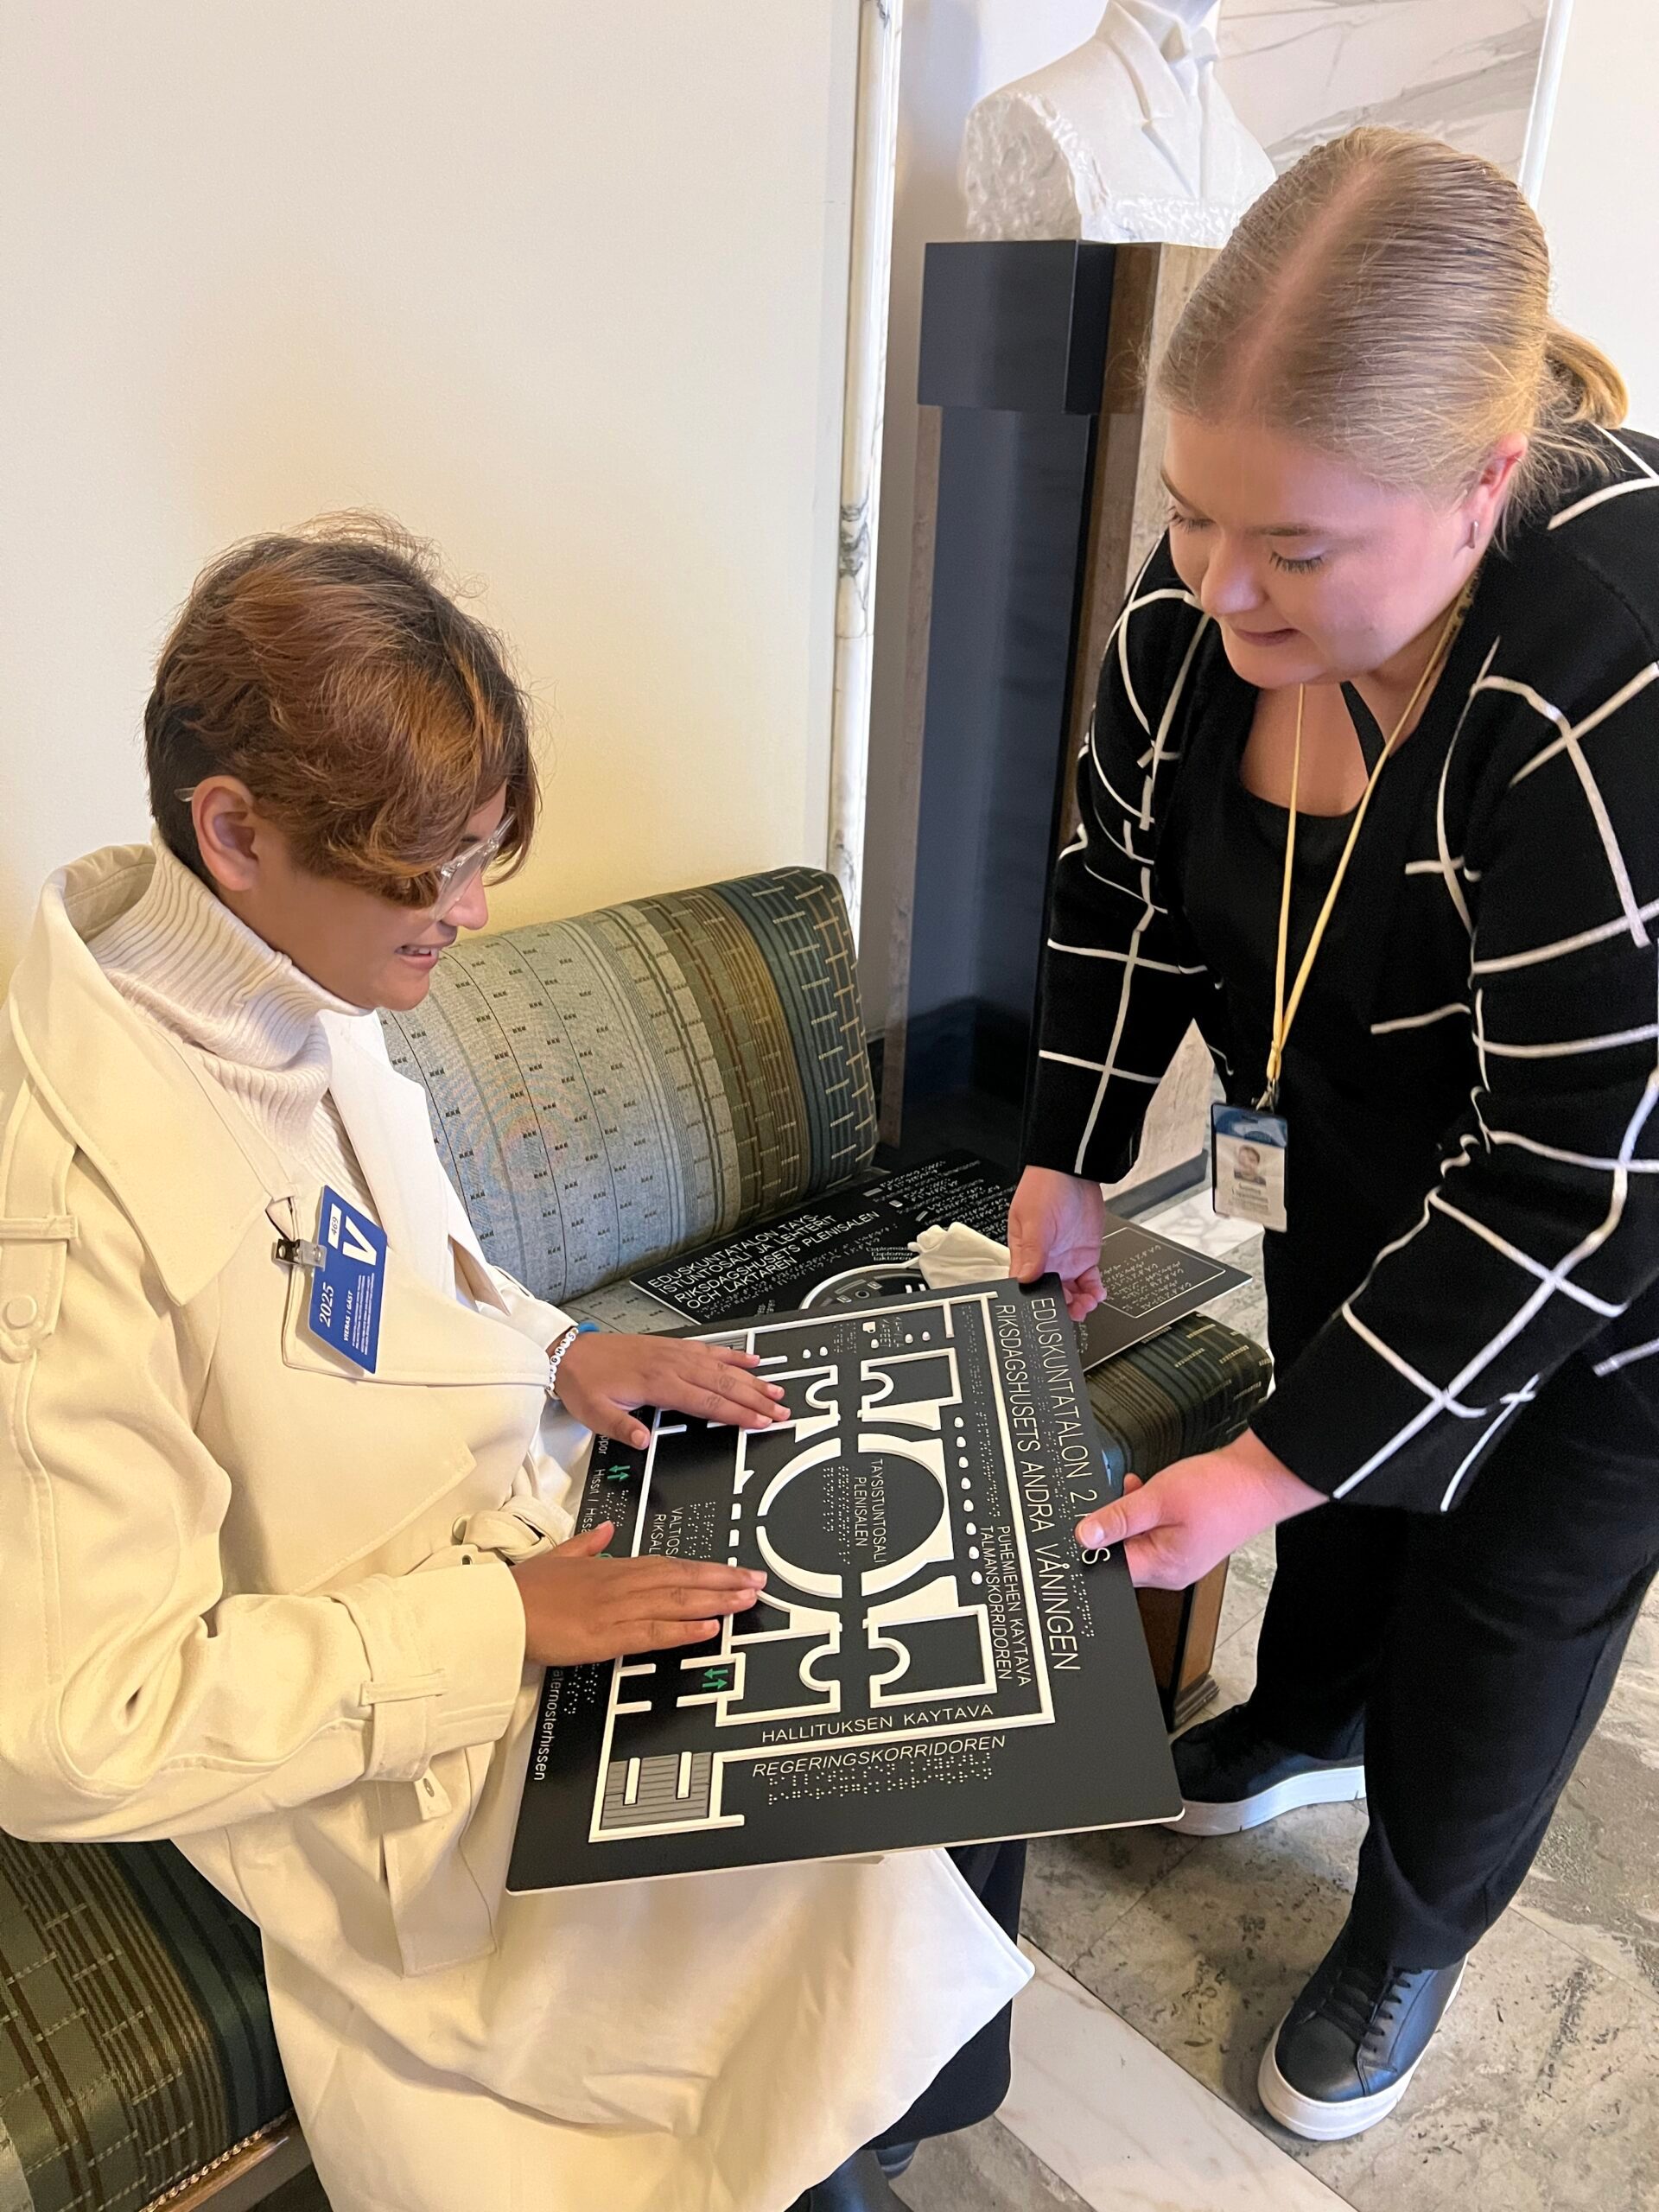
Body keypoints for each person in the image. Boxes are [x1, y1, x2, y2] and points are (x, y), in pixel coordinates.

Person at [0, 521, 1028, 2212]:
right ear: (236, 832)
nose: (474, 915)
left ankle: (881, 2116)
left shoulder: (297, 980)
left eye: (479, 855)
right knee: (810, 1892)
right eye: (439, 874)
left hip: (532, 1523)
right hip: (404, 1731)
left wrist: (566, 1349)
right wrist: (500, 1624)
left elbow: (402, 1285)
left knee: (946, 1632)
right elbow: (71, 1728)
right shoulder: (77, 1202)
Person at [1009, 127, 1659, 2144]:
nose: (1223, 587)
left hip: (1613, 1245)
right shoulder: (1206, 592)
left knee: (1507, 1596)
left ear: (1481, 486)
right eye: (1198, 515)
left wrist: (1264, 1464)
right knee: (1351, 1503)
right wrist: (1070, 1145)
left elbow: (1571, 1176)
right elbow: (1117, 880)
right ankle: (1305, 1712)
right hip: (1360, 1133)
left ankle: (1413, 1921)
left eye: (1298, 550)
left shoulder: (1603, 680)